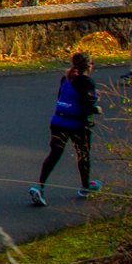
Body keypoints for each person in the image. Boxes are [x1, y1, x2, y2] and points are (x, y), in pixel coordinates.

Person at [30, 52, 100, 205]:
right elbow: (88, 105)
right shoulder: (87, 82)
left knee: (54, 154)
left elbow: (62, 97)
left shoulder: (66, 79)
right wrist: (97, 108)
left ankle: (39, 186)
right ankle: (85, 186)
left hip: (58, 121)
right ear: (89, 66)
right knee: (83, 154)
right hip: (76, 123)